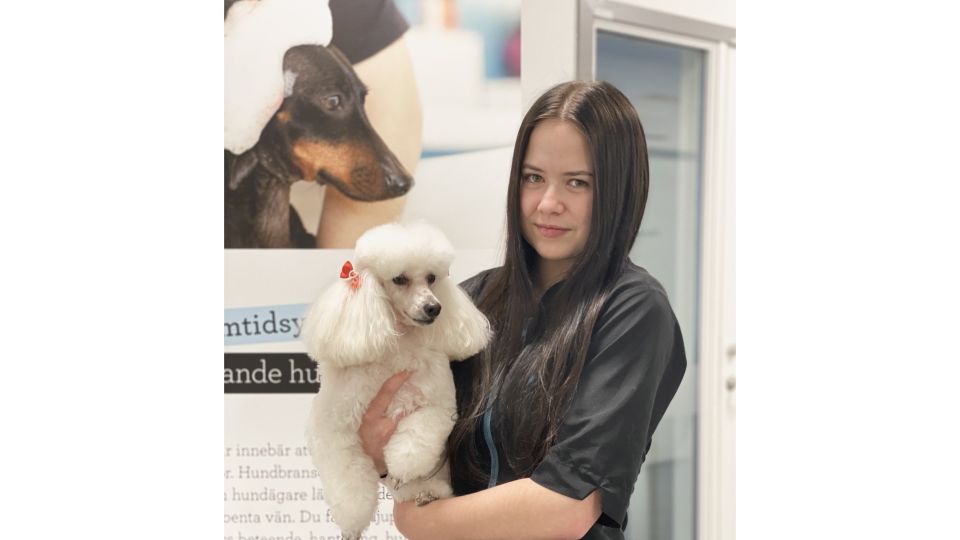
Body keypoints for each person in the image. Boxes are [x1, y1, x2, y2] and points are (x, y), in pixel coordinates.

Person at [359, 80, 687, 539]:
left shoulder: (633, 310)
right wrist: (383, 459)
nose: (548, 204)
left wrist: (422, 522)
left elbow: (566, 506)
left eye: (577, 183)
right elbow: (408, 444)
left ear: (619, 190)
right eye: (534, 178)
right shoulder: (470, 299)